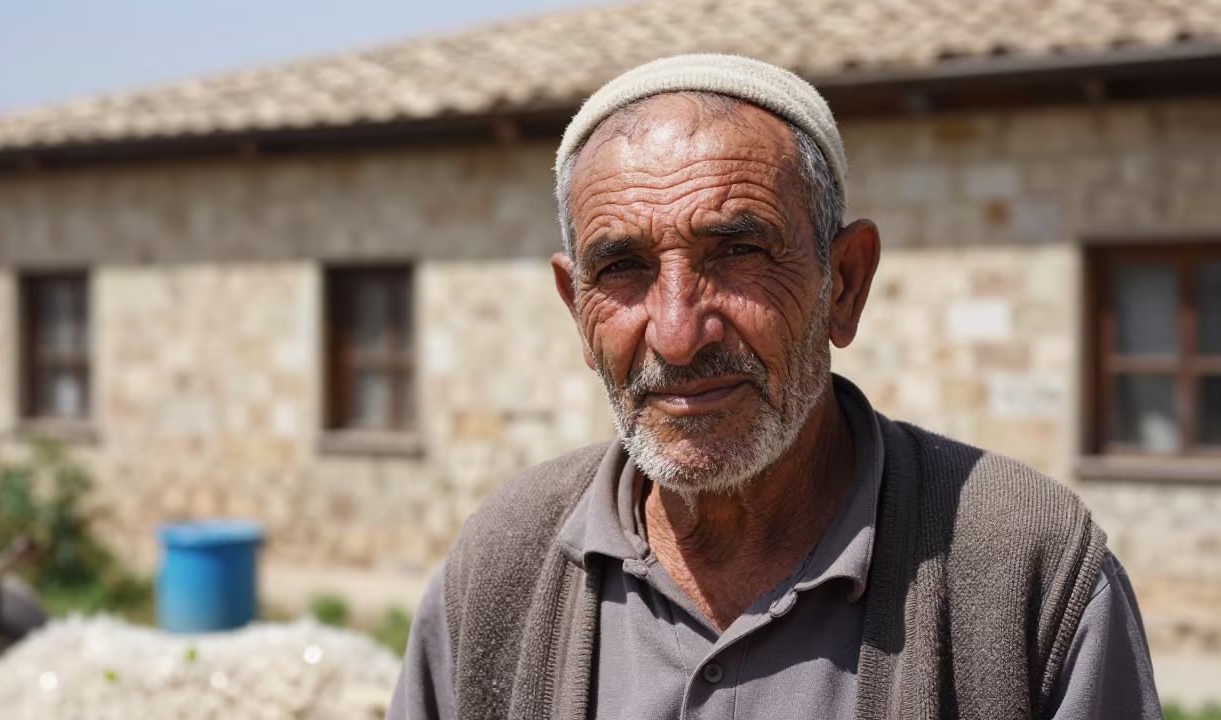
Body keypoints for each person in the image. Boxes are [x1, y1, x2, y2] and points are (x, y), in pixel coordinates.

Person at [387, 54, 1160, 719]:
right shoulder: (500, 570)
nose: (679, 332)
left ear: (845, 284)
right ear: (577, 309)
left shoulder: (1029, 575)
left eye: (737, 251)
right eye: (622, 269)